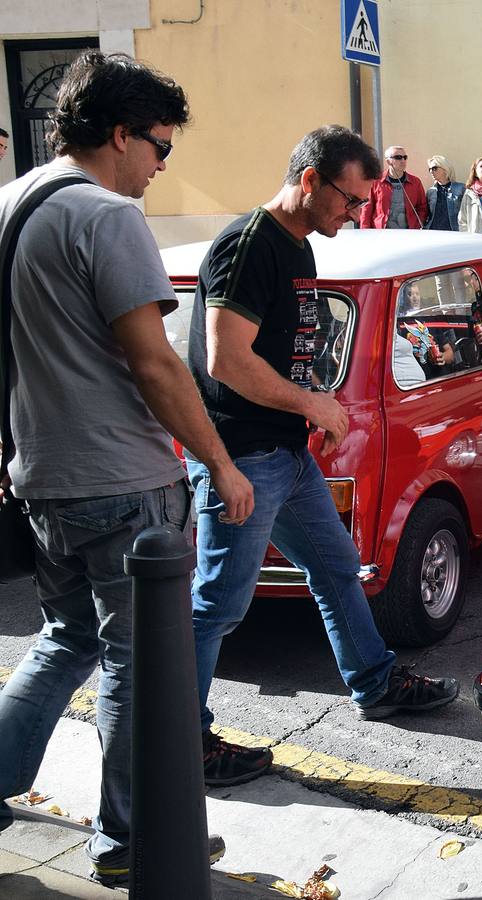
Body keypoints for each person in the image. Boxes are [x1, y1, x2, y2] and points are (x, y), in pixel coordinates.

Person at [0, 50, 253, 887]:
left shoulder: (12, 205)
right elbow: (155, 364)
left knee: (66, 639)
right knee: (141, 666)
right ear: (119, 135)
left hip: (42, 474)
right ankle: (132, 842)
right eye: (160, 148)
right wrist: (219, 462)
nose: (160, 167)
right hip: (121, 481)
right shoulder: (106, 218)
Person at [186, 126, 459, 787]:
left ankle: (374, 682)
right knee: (218, 604)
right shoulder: (251, 246)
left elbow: (282, 352)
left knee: (338, 569)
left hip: (283, 451)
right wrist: (314, 406)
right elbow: (226, 358)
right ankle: (179, 740)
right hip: (242, 455)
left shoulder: (300, 247)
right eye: (349, 197)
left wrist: (314, 403)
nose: (357, 210)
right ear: (310, 180)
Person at [360, 144, 427, 229]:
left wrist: (417, 225)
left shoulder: (415, 182)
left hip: (409, 234)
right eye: (398, 157)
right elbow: (367, 208)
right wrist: (365, 231)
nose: (403, 160)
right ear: (388, 161)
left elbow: (422, 207)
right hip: (382, 234)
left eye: (405, 157)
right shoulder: (376, 181)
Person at [424, 155, 462, 230]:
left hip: (454, 233)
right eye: (430, 169)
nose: (431, 171)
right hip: (433, 233)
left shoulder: (461, 188)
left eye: (434, 168)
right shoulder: (430, 192)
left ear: (445, 169)